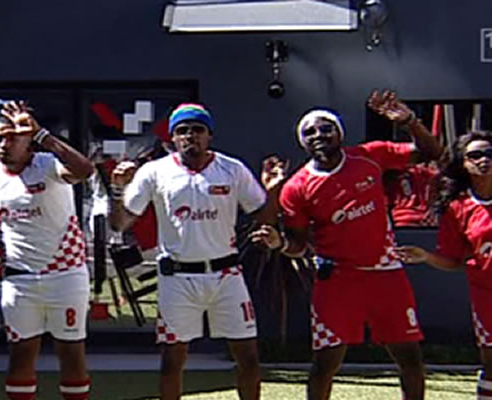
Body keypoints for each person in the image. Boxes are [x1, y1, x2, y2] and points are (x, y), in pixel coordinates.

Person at [251, 90, 442, 400]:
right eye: (310, 132)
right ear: (302, 142)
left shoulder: (369, 155)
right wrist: (280, 242)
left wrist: (409, 121)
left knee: (410, 359)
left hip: (387, 274)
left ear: (339, 133)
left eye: (326, 128)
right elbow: (299, 245)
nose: (318, 135)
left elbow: (431, 152)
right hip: (337, 281)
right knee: (324, 365)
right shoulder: (296, 187)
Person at [108, 103, 280, 400]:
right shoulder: (155, 171)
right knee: (172, 361)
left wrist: (273, 189)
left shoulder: (232, 169)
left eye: (198, 129)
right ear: (173, 138)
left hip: (226, 274)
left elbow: (263, 216)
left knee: (249, 357)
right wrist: (118, 189)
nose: (190, 136)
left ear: (209, 134)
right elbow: (120, 222)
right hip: (178, 278)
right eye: (182, 131)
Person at [0, 101, 94, 400]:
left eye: (12, 137)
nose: (4, 144)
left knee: (71, 352)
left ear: (27, 140)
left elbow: (84, 170)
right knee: (21, 354)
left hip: (65, 275)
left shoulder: (48, 165)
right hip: (19, 279)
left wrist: (43, 136)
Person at [396, 130, 492, 399]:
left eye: (489, 153)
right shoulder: (458, 208)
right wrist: (426, 256)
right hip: (486, 295)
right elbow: (454, 260)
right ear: (463, 163)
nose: (484, 160)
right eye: (475, 155)